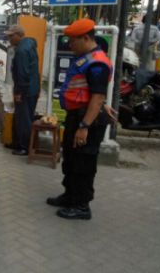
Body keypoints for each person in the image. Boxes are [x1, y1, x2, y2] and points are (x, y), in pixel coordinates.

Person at [47, 18, 112, 220]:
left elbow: (98, 96)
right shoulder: (86, 58)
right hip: (77, 116)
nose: (70, 45)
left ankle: (82, 206)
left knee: (83, 162)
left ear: (86, 38)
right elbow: (91, 92)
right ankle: (70, 195)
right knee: (71, 158)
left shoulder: (97, 64)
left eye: (73, 41)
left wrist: (84, 126)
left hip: (87, 121)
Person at [5, 25, 40, 156]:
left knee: (24, 119)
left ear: (19, 35)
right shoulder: (29, 44)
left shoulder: (21, 51)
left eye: (11, 36)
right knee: (21, 117)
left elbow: (22, 74)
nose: (9, 39)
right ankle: (17, 143)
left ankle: (24, 147)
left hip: (26, 90)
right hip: (32, 88)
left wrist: (19, 92)